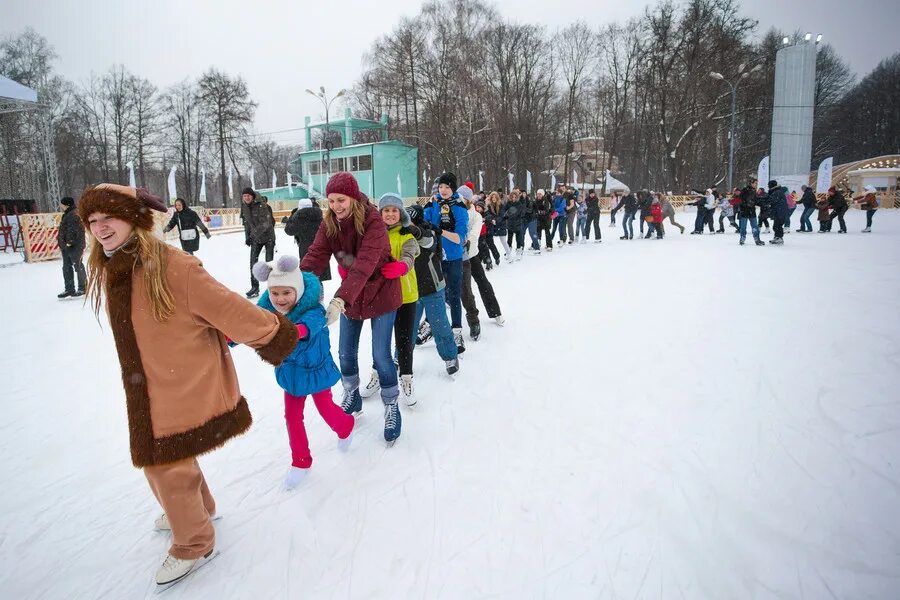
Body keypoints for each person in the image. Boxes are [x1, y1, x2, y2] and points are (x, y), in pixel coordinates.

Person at [78, 183, 297, 588]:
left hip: (183, 378)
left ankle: (195, 541)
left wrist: (274, 334)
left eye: (109, 217)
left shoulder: (172, 266)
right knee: (169, 449)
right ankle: (198, 508)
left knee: (162, 458)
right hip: (152, 378)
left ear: (134, 219)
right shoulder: (115, 263)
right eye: (93, 221)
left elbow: (228, 307)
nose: (101, 227)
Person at [300, 172, 404, 444]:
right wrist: (294, 281)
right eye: (331, 200)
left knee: (380, 354)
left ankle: (391, 404)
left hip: (380, 291)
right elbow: (315, 255)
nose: (336, 206)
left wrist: (339, 299)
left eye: (341, 200)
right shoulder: (330, 223)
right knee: (345, 352)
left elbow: (365, 264)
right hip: (353, 293)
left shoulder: (373, 223)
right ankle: (352, 394)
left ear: (354, 197)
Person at [252, 256, 353, 489]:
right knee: (293, 417)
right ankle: (301, 461)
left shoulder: (313, 310)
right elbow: (252, 326)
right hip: (292, 376)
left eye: (286, 293)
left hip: (315, 371)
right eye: (275, 294)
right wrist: (231, 336)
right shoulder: (269, 311)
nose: (280, 299)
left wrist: (289, 332)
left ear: (297, 290)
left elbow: (307, 328)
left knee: (325, 408)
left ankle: (345, 426)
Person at [360, 193, 420, 406]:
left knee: (404, 341)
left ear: (401, 213)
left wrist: (402, 266)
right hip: (382, 296)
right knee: (380, 342)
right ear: (381, 213)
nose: (391, 214)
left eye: (395, 210)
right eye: (387, 210)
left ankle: (406, 378)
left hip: (405, 296)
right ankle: (378, 375)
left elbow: (410, 256)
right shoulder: (373, 235)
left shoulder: (407, 235)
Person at [407, 204, 460, 376]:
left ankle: (450, 356)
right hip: (410, 289)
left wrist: (416, 231)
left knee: (440, 325)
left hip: (432, 287)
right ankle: (400, 358)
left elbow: (428, 242)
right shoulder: (398, 234)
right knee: (407, 328)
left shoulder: (428, 231)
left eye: (410, 220)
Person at [423, 171, 469, 354]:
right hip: (435, 256)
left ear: (453, 188)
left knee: (453, 294)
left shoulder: (459, 207)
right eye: (441, 186)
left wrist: (440, 231)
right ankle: (430, 326)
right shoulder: (433, 203)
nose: (443, 190)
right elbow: (424, 221)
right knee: (434, 294)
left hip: (454, 257)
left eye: (447, 187)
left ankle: (456, 330)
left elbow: (459, 237)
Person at [459, 186, 504, 341]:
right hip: (456, 257)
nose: (460, 200)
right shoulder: (453, 209)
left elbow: (474, 233)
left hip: (471, 254)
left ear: (469, 199)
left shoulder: (475, 215)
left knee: (483, 282)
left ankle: (495, 312)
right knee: (462, 290)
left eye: (463, 198)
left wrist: (468, 241)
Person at [241, 187, 276, 298]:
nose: (246, 198)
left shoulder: (261, 205)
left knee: (269, 263)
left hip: (268, 237)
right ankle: (255, 287)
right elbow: (246, 223)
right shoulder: (244, 207)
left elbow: (266, 223)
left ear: (252, 196)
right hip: (256, 238)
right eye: (244, 196)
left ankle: (273, 287)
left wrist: (253, 234)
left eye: (248, 196)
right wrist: (247, 236)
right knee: (253, 263)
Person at [284, 198, 331, 281]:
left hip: (306, 249)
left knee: (308, 273)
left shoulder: (299, 218)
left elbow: (289, 231)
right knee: (319, 271)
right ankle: (320, 290)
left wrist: (292, 217)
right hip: (321, 248)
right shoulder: (318, 216)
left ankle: (315, 291)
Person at [56, 196, 86, 299]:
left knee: (77, 266)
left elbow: (73, 230)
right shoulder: (68, 214)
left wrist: (69, 242)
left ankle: (83, 288)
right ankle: (69, 289)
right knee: (67, 267)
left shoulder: (73, 214)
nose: (60, 206)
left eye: (62, 204)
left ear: (67, 205)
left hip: (74, 245)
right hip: (66, 246)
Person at [503, 188, 527, 260]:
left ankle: (518, 250)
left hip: (517, 223)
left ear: (517, 197)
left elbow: (516, 213)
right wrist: (505, 214)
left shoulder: (519, 204)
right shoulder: (508, 203)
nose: (513, 198)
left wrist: (508, 213)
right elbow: (504, 210)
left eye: (515, 197)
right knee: (509, 239)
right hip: (510, 224)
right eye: (512, 197)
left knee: (518, 239)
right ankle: (508, 251)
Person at [486, 191, 508, 265]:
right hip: (492, 225)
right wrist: (491, 219)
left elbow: (502, 215)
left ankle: (508, 254)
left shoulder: (501, 205)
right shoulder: (489, 206)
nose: (494, 198)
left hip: (501, 225)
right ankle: (489, 259)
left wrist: (495, 220)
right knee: (490, 243)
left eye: (495, 197)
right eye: (492, 197)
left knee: (503, 242)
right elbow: (488, 214)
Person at [767, 180, 789, 245]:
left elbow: (772, 201)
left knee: (777, 225)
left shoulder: (777, 192)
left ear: (772, 185)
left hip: (780, 212)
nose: (768, 186)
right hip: (779, 211)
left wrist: (766, 202)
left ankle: (779, 238)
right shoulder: (776, 191)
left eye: (769, 185)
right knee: (776, 225)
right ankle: (777, 237)